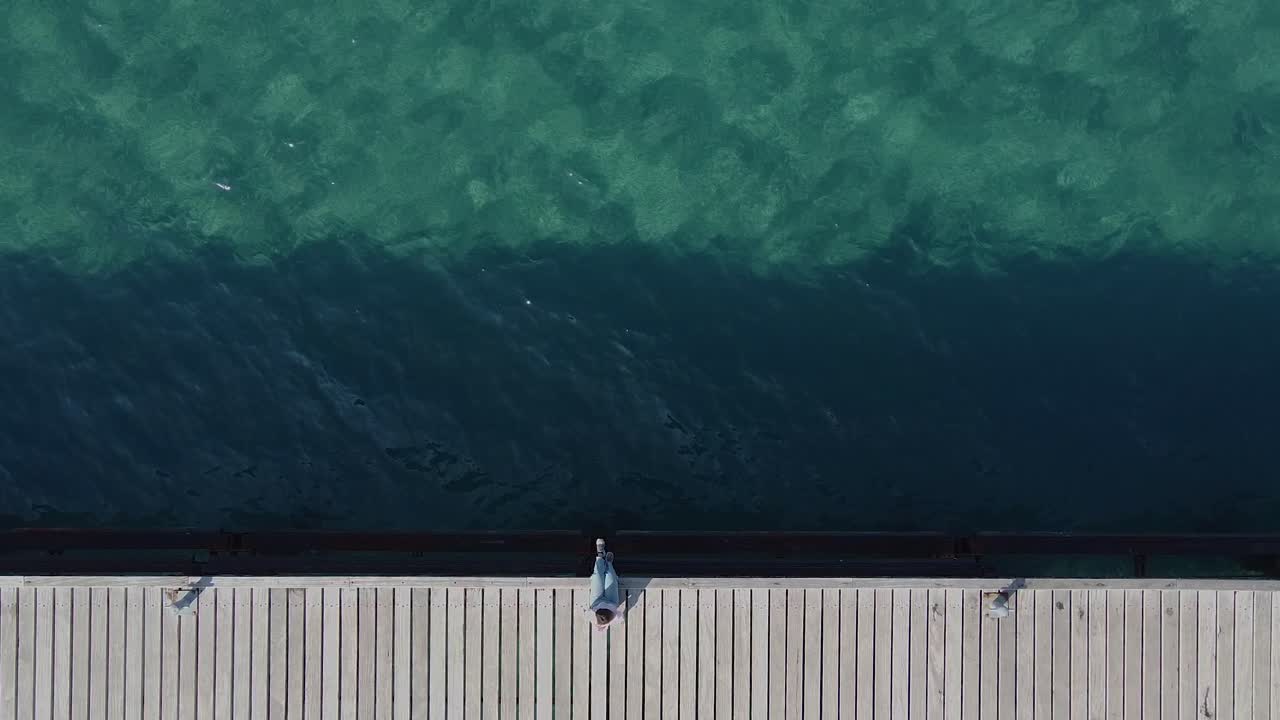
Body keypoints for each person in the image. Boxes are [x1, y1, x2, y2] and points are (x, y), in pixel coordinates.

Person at [586, 538, 625, 630]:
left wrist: (600, 627)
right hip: (612, 601)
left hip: (596, 601)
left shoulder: (595, 618)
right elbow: (621, 616)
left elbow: (599, 627)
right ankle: (609, 564)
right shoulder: (613, 618)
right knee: (610, 576)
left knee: (598, 576)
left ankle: (600, 555)